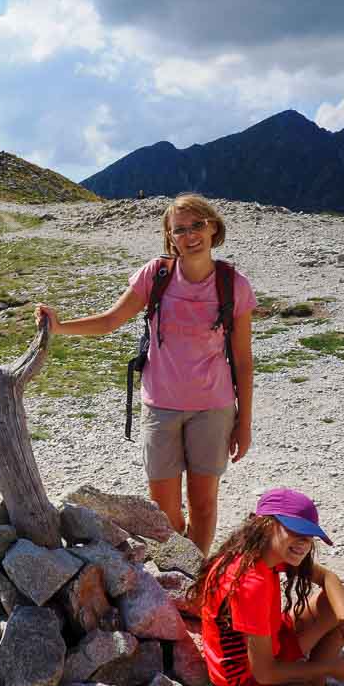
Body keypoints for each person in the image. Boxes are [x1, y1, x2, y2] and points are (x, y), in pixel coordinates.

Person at [35, 193, 255, 554]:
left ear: (213, 227)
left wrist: (243, 423)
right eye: (179, 230)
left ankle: (194, 578)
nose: (190, 235)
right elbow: (110, 320)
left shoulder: (234, 285)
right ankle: (180, 556)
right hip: (160, 408)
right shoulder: (157, 275)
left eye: (197, 225)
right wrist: (59, 327)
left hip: (214, 410)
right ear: (170, 237)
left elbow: (243, 361)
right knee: (165, 513)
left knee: (203, 505)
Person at [190, 489, 344, 686]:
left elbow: (328, 578)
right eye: (295, 531)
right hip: (247, 679)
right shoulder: (248, 583)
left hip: (273, 642)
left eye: (309, 535)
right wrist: (332, 668)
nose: (304, 542)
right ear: (265, 525)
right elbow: (264, 673)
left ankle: (311, 685)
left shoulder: (265, 552)